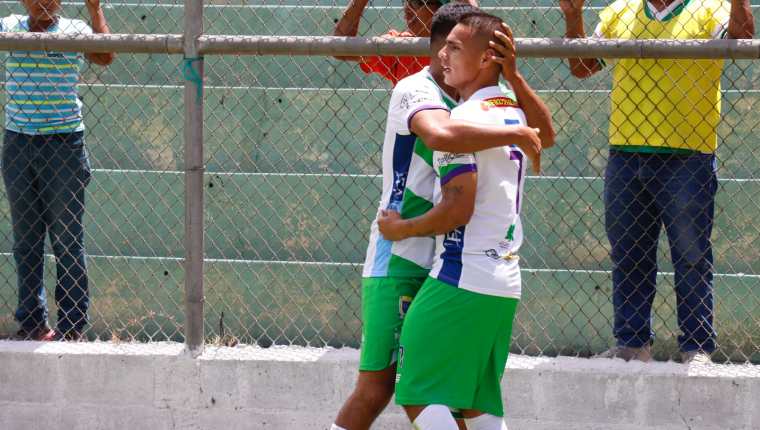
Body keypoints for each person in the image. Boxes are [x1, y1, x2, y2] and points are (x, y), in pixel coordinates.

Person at [330, 3, 554, 429]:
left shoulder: (475, 101)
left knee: (444, 395)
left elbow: (542, 136)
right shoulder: (417, 89)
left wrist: (514, 79)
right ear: (439, 44)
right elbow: (439, 134)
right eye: (449, 45)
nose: (449, 54)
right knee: (380, 387)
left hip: (449, 261)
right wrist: (515, 131)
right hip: (401, 257)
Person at [559, 0, 754, 363]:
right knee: (629, 253)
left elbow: (743, 40)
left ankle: (696, 347)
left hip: (687, 156)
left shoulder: (709, 8)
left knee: (691, 255)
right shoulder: (621, 11)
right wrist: (573, 16)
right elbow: (582, 66)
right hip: (625, 154)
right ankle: (632, 344)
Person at [2, 0, 115, 341]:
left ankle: (72, 325)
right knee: (26, 240)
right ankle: (32, 322)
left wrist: (95, 9)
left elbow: (105, 56)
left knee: (67, 238)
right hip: (19, 141)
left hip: (63, 143)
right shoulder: (9, 26)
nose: (44, 3)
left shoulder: (74, 30)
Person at [333, 0, 465, 86]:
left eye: (417, 2)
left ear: (441, 9)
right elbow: (340, 49)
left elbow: (475, 26)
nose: (408, 8)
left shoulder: (462, 47)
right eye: (406, 1)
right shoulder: (399, 45)